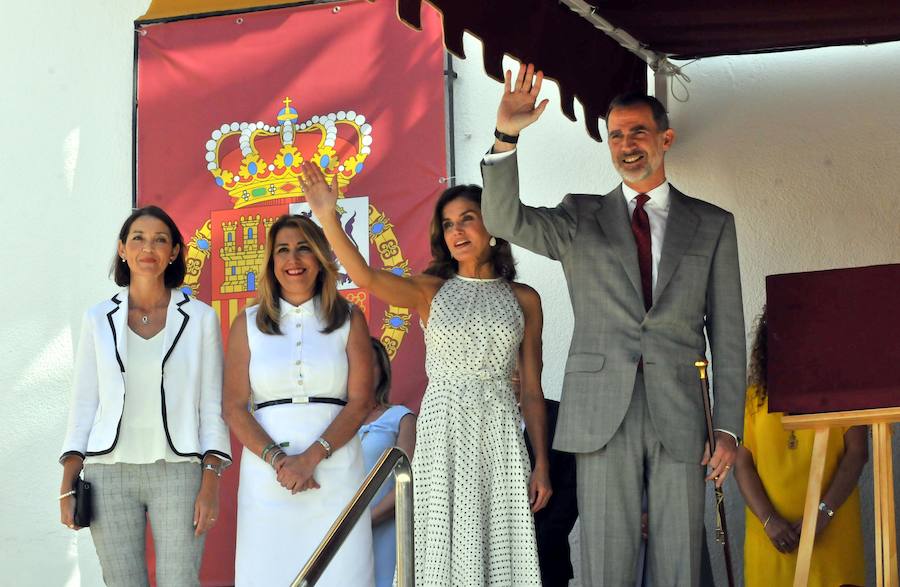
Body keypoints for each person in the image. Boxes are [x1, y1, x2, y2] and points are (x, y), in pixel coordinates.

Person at [481, 63, 746, 586]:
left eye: (639, 132)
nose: (627, 145)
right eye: (616, 135)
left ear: (665, 139)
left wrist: (728, 427)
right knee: (607, 562)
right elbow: (502, 219)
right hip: (601, 411)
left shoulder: (713, 224)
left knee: (681, 564)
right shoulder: (580, 215)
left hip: (681, 410)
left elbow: (730, 335)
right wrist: (505, 136)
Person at [300, 161, 552, 586]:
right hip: (443, 426)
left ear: (492, 223)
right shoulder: (429, 290)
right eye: (449, 224)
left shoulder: (524, 298)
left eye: (467, 219)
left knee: (501, 546)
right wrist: (327, 217)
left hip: (501, 429)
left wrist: (541, 463)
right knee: (441, 546)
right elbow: (364, 276)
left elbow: (532, 390)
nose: (457, 231)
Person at [59, 205, 231, 587]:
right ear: (122, 249)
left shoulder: (201, 318)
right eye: (137, 238)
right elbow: (84, 404)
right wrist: (69, 480)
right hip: (108, 473)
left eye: (159, 239)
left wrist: (211, 481)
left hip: (180, 470)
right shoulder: (97, 319)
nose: (147, 247)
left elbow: (211, 407)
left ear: (173, 252)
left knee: (180, 581)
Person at [223, 214, 375, 586]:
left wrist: (312, 458)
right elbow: (233, 406)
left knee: (342, 573)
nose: (293, 259)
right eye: (283, 250)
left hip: (336, 473)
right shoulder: (247, 323)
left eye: (304, 248)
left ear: (321, 257)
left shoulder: (350, 318)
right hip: (268, 477)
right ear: (271, 263)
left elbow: (360, 401)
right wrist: (280, 461)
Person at [734, 310, 867, 586]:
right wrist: (770, 521)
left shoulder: (843, 393)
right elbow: (742, 463)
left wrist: (823, 514)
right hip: (770, 542)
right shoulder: (753, 399)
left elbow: (857, 453)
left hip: (831, 538)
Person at [358, 337, 417, 587]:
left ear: (382, 371)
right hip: (338, 533)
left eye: (369, 364)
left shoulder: (400, 418)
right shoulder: (331, 423)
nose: (361, 371)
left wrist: (366, 522)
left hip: (386, 529)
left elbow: (409, 480)